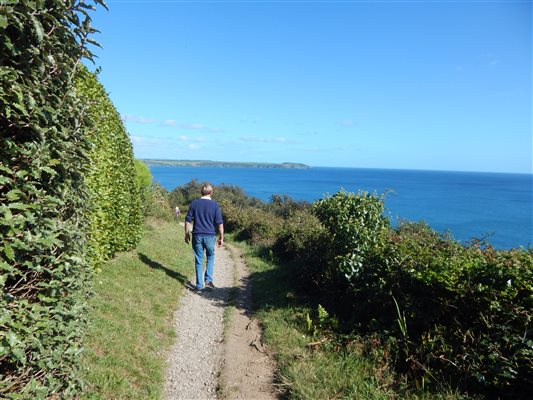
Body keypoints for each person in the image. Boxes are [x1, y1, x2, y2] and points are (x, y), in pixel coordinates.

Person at [184, 183, 224, 291]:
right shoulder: (215, 205)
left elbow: (187, 220)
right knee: (210, 257)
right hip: (210, 236)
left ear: (201, 192)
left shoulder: (194, 203)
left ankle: (199, 285)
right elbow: (219, 223)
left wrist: (187, 234)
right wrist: (221, 237)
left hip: (197, 235)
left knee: (199, 259)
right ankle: (208, 281)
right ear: (211, 193)